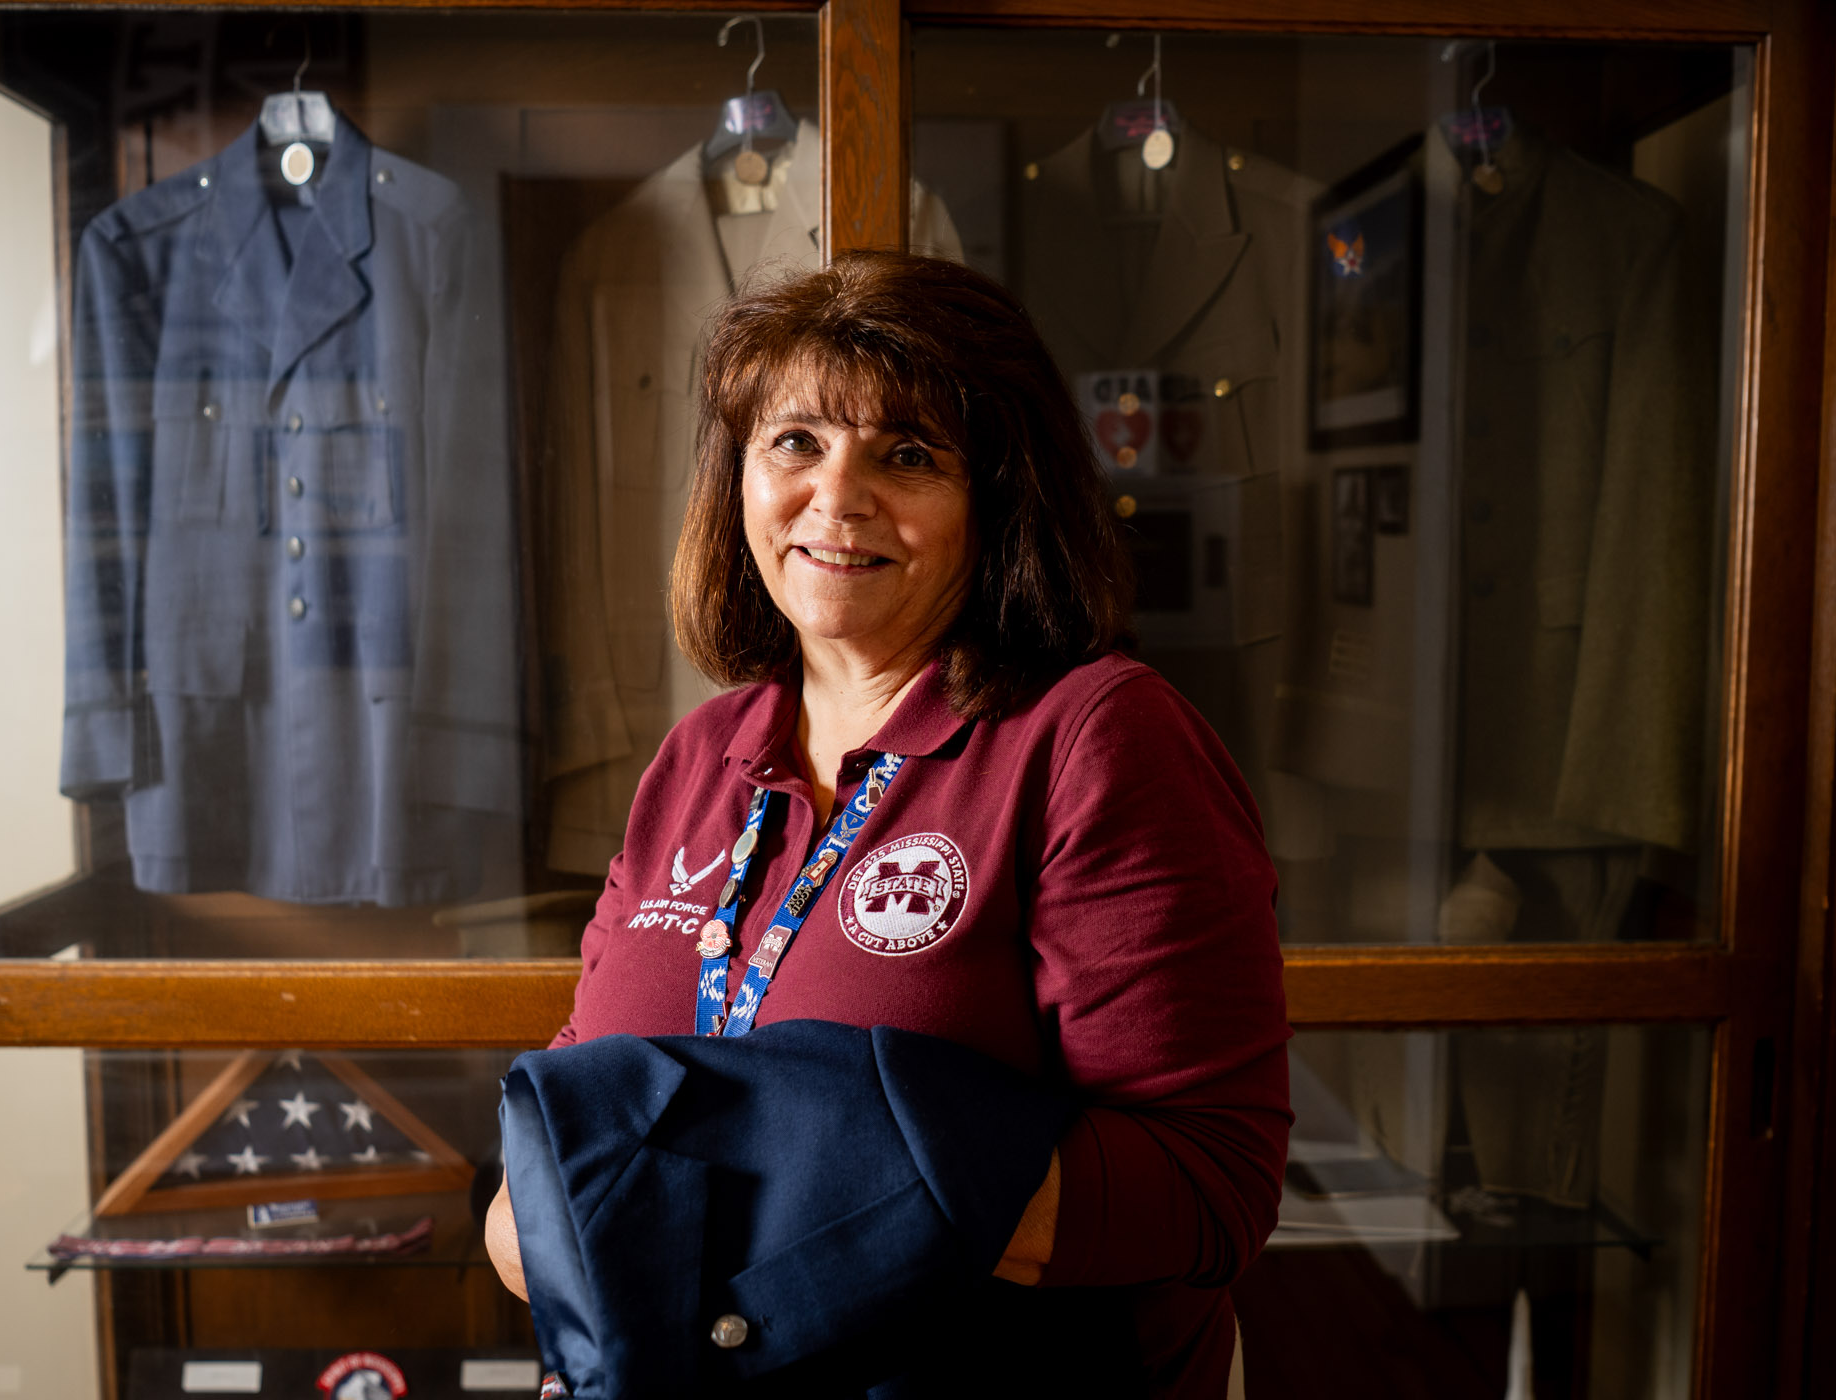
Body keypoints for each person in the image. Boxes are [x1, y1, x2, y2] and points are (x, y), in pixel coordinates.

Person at [488, 250, 1288, 1397]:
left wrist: (721, 1181)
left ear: (998, 498)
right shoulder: (695, 756)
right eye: (795, 441)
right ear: (738, 482)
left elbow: (1207, 1184)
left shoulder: (1096, 738)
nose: (837, 495)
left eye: (906, 454)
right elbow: (554, 1149)